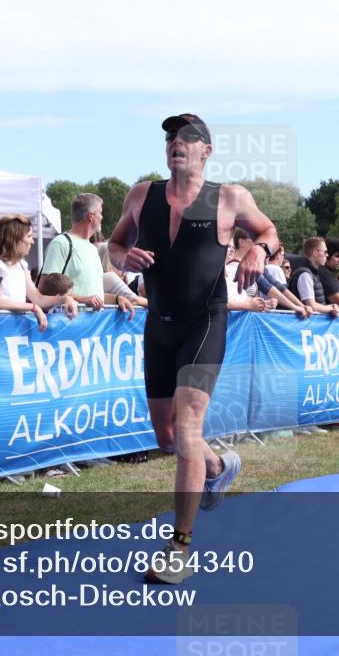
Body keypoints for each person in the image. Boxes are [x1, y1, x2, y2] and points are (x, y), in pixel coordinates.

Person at [107, 113, 279, 584]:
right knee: (166, 437)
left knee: (186, 432)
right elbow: (114, 243)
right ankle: (220, 466)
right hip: (158, 324)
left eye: (186, 138)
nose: (175, 143)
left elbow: (268, 233)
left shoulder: (229, 197)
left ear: (206, 150)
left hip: (206, 321)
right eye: (170, 138)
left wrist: (257, 250)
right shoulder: (142, 195)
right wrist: (125, 257)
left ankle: (178, 547)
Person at [40, 193, 134, 317]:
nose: (102, 217)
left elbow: (93, 296)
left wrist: (116, 299)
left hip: (91, 330)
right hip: (69, 326)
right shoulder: (61, 243)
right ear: (91, 216)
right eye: (100, 213)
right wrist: (84, 300)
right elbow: (44, 290)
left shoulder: (92, 249)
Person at [0, 214, 77, 329]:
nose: (32, 241)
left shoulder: (21, 265)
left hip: (13, 330)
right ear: (15, 239)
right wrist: (32, 307)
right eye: (29, 236)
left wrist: (65, 298)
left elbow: (38, 299)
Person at [288, 238, 339, 317]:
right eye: (325, 252)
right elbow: (312, 305)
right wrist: (331, 308)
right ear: (315, 253)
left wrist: (330, 307)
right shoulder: (305, 274)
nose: (327, 255)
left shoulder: (312, 273)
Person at [97, 243, 148, 307]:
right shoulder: (110, 277)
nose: (123, 269)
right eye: (118, 262)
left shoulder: (97, 280)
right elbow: (134, 300)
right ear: (108, 262)